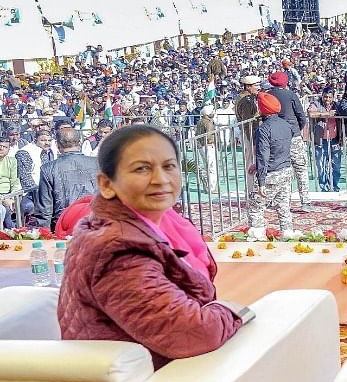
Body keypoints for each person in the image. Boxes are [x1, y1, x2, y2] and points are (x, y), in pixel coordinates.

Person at [57, 124, 253, 369]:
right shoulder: (118, 251)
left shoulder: (130, 226)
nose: (160, 179)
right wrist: (233, 310)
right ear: (107, 185)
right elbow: (191, 332)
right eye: (142, 169)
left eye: (169, 166)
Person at [33, 127, 98, 230]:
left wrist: (45, 236)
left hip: (64, 225)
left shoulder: (48, 169)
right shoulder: (99, 163)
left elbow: (45, 210)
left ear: (57, 144)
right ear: (79, 142)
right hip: (95, 222)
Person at [247, 93, 294, 235]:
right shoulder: (286, 125)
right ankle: (288, 236)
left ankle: (257, 238)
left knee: (256, 209)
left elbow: (263, 156)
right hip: (285, 170)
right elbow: (280, 150)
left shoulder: (263, 129)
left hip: (270, 174)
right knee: (284, 208)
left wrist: (261, 182)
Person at [265, 71, 311, 211]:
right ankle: (305, 202)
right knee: (301, 169)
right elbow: (301, 117)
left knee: (277, 169)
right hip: (293, 136)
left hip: (275, 137)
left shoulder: (267, 95)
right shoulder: (291, 95)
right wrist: (296, 130)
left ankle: (275, 201)